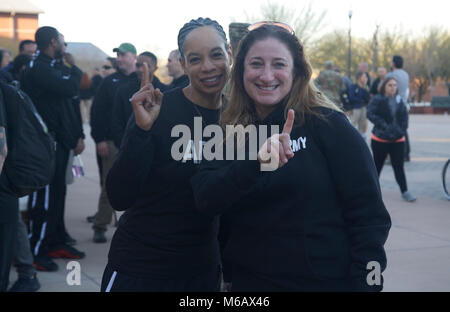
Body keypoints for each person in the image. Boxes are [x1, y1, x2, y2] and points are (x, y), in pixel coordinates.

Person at [190, 23, 391, 292]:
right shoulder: (228, 132)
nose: (267, 75)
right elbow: (205, 198)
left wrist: (368, 285)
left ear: (297, 71)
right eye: (256, 64)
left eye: (279, 64)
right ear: (240, 71)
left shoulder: (329, 124)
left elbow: (369, 218)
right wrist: (256, 165)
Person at [102, 17, 231, 292]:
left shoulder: (239, 117)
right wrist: (141, 131)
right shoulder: (158, 109)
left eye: (216, 55)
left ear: (229, 54)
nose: (208, 66)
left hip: (202, 272)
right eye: (195, 59)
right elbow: (119, 196)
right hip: (141, 269)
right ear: (183, 64)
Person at [21, 26, 85, 272]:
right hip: (44, 145)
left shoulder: (51, 66)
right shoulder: (39, 68)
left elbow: (68, 103)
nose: (64, 45)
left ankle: (55, 241)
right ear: (52, 42)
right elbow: (71, 88)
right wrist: (75, 67)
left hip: (60, 142)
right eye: (62, 41)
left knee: (58, 196)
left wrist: (76, 136)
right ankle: (37, 250)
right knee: (45, 200)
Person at [89, 43, 138, 243]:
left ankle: (130, 223)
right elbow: (97, 112)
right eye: (117, 55)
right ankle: (100, 225)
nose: (119, 59)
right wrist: (99, 139)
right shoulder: (109, 82)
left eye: (123, 55)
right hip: (112, 143)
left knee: (137, 185)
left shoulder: (142, 81)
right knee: (110, 185)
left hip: (138, 143)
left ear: (133, 56)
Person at [367, 77, 416, 202]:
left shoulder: (400, 100)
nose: (393, 87)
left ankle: (404, 191)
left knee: (398, 166)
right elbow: (370, 113)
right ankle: (371, 192)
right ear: (384, 86)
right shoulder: (378, 99)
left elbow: (405, 118)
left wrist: (401, 130)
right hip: (380, 139)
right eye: (390, 85)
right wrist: (383, 125)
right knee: (377, 166)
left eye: (395, 85)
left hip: (398, 139)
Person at [111, 51, 168, 151]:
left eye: (146, 66)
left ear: (155, 69)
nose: (141, 70)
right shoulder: (123, 90)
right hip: (128, 148)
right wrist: (123, 145)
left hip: (158, 150)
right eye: (138, 65)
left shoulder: (166, 91)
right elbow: (117, 121)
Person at [386, 55, 411, 162]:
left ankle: (396, 155)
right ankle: (406, 154)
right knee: (403, 129)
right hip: (404, 103)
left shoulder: (391, 75)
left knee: (394, 129)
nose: (390, 62)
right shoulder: (406, 74)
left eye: (391, 61)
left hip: (393, 104)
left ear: (394, 63)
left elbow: (385, 89)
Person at [348, 71, 371, 138]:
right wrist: (361, 100)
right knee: (352, 124)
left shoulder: (366, 87)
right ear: (359, 77)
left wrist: (364, 88)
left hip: (363, 108)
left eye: (366, 77)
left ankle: (360, 138)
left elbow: (367, 99)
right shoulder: (353, 86)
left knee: (362, 125)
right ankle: (349, 137)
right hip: (356, 108)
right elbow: (351, 97)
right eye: (364, 76)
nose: (366, 78)